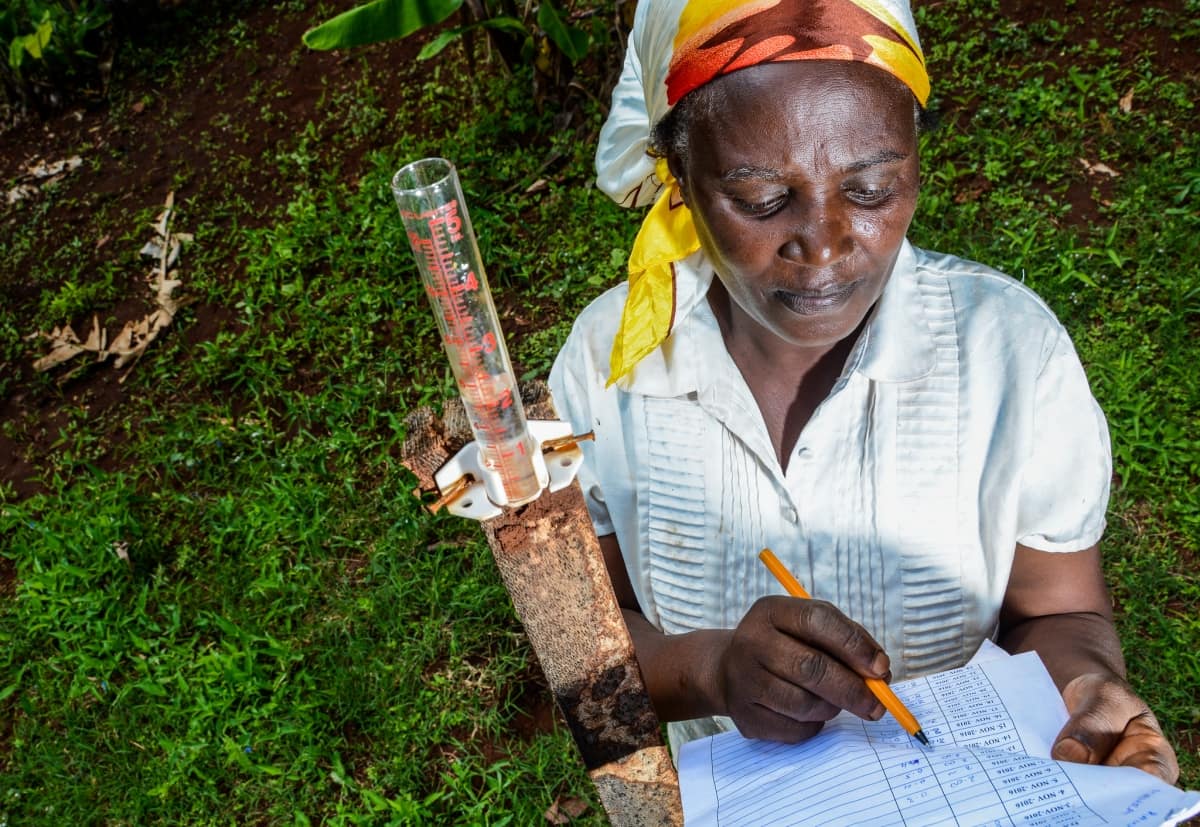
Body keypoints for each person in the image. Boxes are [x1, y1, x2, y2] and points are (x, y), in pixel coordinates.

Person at [548, 0, 1180, 783]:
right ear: (678, 179)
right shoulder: (607, 368)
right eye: (761, 199)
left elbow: (1059, 611)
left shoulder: (1010, 354)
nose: (826, 242)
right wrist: (712, 670)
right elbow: (590, 642)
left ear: (915, 161)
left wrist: (1087, 684)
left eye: (874, 189)